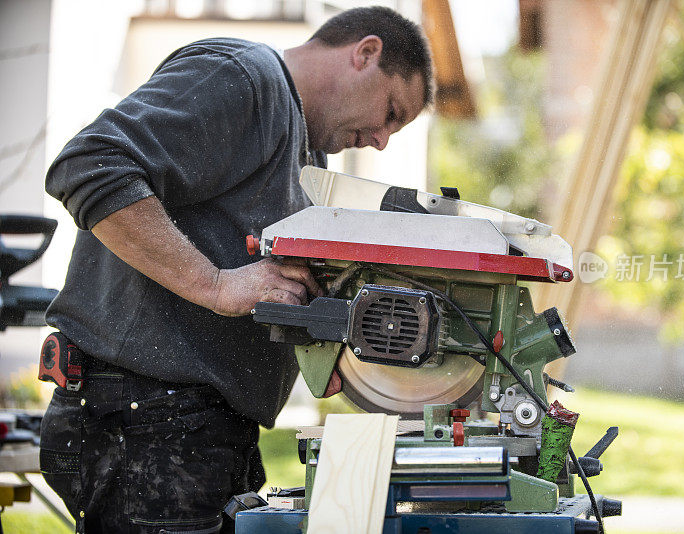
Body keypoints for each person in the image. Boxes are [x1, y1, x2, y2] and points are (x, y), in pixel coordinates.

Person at [39, 6, 434, 533]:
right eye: (390, 112)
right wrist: (216, 285)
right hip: (145, 424)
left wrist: (322, 342)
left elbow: (255, 275)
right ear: (365, 53)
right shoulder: (245, 78)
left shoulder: (306, 156)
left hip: (194, 432)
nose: (382, 140)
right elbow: (90, 165)